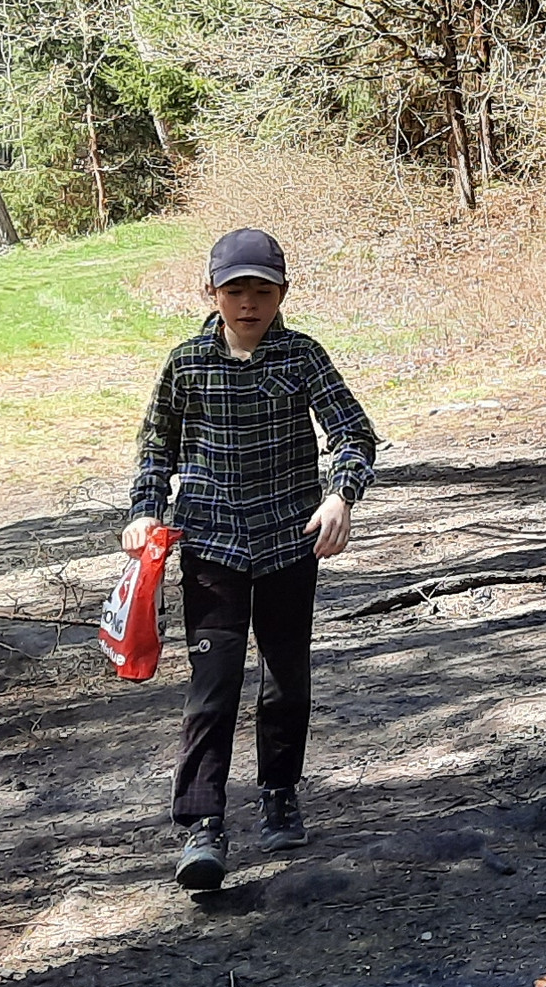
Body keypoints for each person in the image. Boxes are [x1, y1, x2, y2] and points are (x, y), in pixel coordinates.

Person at [125, 227, 378, 889]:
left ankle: (279, 794)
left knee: (286, 678)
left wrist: (340, 497)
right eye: (235, 289)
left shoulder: (303, 356)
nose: (248, 303)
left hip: (291, 540)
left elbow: (353, 433)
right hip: (210, 547)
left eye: (262, 291)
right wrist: (145, 510)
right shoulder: (186, 364)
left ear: (282, 294)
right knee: (213, 687)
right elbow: (156, 448)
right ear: (210, 291)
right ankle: (202, 825)